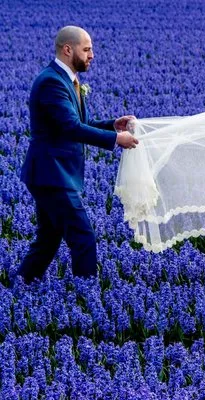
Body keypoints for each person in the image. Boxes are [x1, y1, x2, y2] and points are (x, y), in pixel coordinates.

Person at [17, 26, 139, 284]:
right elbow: (71, 128)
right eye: (87, 49)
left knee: (47, 239)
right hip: (53, 174)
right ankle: (86, 296)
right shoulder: (52, 82)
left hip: (51, 173)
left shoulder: (68, 80)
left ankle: (19, 285)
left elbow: (80, 121)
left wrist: (111, 125)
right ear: (67, 49)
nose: (92, 54)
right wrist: (117, 140)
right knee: (83, 237)